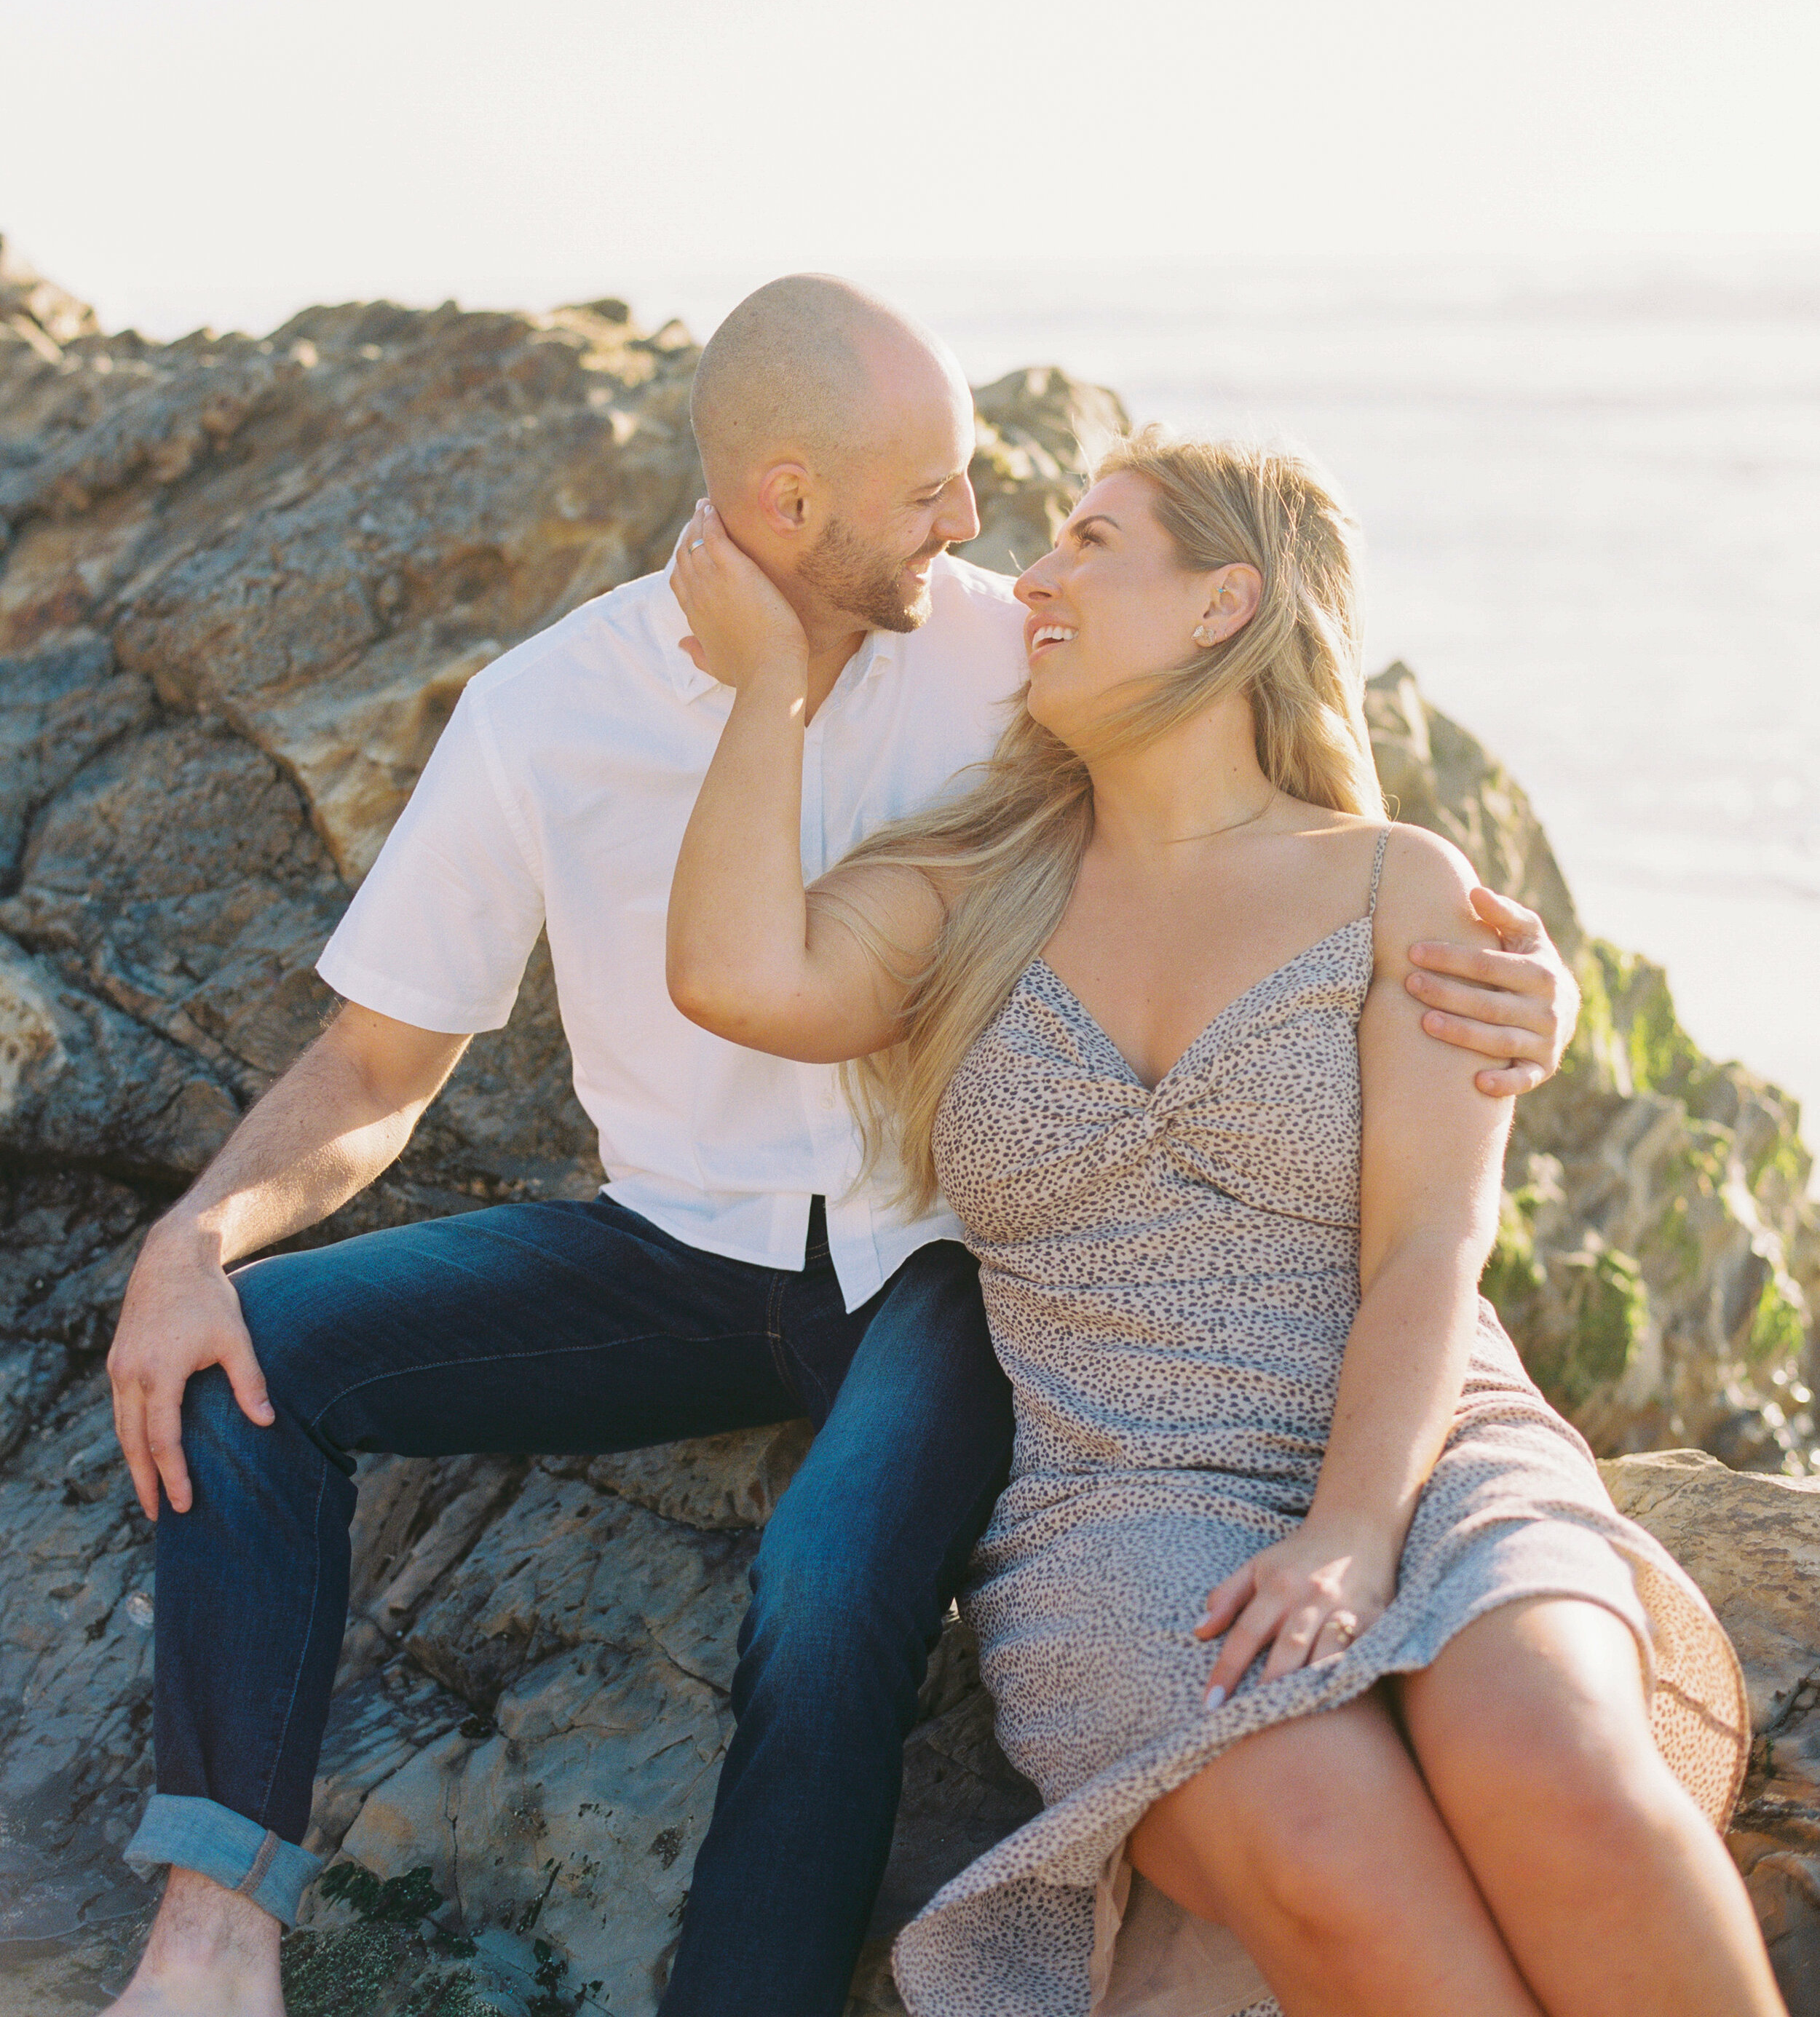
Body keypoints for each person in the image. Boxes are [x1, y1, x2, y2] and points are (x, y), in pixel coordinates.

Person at [103, 280, 1580, 2017]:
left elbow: (1256, 819)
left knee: (825, 1587)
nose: (977, 528)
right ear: (789, 501)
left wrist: (1495, 983)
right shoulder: (539, 711)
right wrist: (199, 1233)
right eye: (932, 489)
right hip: (667, 1254)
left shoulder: (1009, 648)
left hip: (948, 1263)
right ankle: (212, 1942)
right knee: (242, 1353)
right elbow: (375, 1060)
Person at [663, 427, 1778, 2017]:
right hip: (1118, 1509)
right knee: (1337, 1871)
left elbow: (1424, 1250)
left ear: (1220, 605)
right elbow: (731, 975)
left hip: (1426, 1442)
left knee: (1568, 1784)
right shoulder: (969, 886)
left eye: (1088, 543)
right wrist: (767, 678)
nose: (1032, 578)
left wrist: (1346, 1530)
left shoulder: (1394, 882)